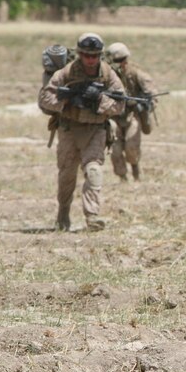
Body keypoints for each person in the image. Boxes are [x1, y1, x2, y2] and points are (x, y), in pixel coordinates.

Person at [37, 32, 126, 231]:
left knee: (94, 169)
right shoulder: (66, 73)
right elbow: (45, 99)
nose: (90, 60)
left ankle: (92, 216)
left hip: (95, 130)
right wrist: (70, 100)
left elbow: (120, 105)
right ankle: (63, 213)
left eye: (94, 56)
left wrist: (99, 100)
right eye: (86, 55)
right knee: (67, 175)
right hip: (69, 129)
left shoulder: (107, 73)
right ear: (79, 54)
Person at [106, 42, 160, 181]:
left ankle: (136, 171)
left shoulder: (136, 73)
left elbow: (152, 92)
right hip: (113, 116)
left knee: (131, 145)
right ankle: (122, 177)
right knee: (115, 150)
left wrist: (145, 102)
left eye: (121, 60)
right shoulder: (105, 74)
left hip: (131, 115)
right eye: (115, 61)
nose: (119, 64)